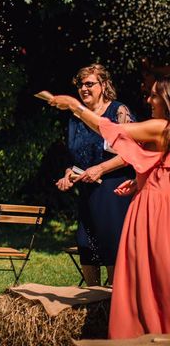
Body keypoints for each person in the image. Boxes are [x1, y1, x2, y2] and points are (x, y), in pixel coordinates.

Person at [49, 76, 170, 338]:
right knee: (156, 275)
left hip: (155, 210)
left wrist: (73, 104)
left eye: (154, 96)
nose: (148, 100)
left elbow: (111, 130)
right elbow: (161, 161)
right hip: (154, 198)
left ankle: (147, 333)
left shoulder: (161, 127)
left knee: (153, 274)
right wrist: (140, 183)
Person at [55, 64, 134, 285]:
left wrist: (101, 168)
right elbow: (75, 156)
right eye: (80, 85)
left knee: (112, 247)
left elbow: (133, 153)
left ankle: (114, 307)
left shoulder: (118, 111)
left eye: (89, 83)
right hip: (88, 192)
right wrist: (69, 173)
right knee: (87, 247)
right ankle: (92, 307)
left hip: (114, 191)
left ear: (104, 85)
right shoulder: (75, 118)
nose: (83, 88)